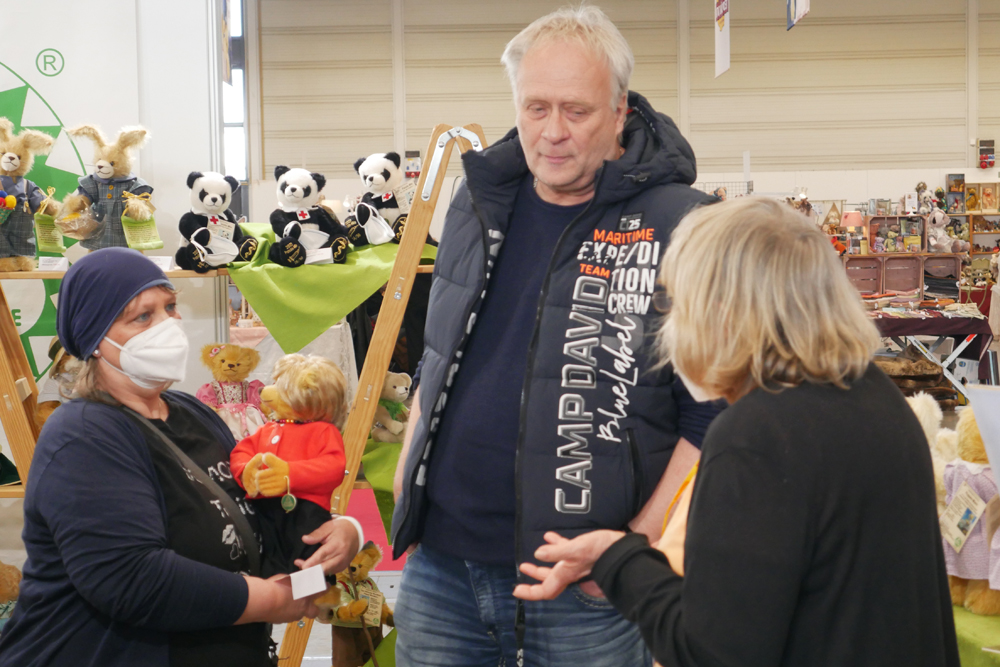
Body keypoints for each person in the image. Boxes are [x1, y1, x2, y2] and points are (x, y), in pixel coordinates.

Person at [390, 6, 721, 666]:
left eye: (577, 111)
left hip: (586, 586)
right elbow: (439, 355)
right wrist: (407, 482)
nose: (553, 132)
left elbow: (711, 413)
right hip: (442, 571)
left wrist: (635, 546)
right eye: (536, 108)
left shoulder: (685, 226)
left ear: (620, 111)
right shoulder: (478, 201)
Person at [513, 198, 961, 667]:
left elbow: (712, 651)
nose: (671, 326)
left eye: (677, 304)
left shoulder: (758, 435)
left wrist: (618, 559)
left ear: (722, 311)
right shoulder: (875, 396)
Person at [0, 247, 364, 667]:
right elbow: (132, 580)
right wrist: (271, 599)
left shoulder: (192, 414)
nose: (168, 325)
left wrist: (340, 532)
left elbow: (251, 511)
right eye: (143, 316)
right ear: (97, 338)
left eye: (170, 307)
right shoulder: (83, 436)